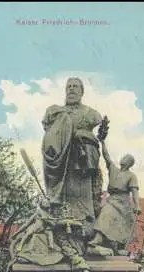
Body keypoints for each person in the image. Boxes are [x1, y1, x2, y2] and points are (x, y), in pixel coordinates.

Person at [41, 77, 104, 236]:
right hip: (62, 164)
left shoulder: (91, 114)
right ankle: (62, 228)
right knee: (64, 199)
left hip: (82, 163)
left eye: (75, 86)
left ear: (82, 91)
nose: (71, 89)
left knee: (83, 196)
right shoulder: (56, 113)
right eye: (69, 86)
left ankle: (86, 229)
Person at [87, 141, 142, 255]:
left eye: (127, 158)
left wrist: (137, 205)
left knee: (117, 222)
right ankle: (99, 239)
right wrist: (103, 142)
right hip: (112, 200)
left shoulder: (131, 176)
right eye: (124, 157)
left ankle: (110, 244)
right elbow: (106, 156)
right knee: (104, 213)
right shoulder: (113, 169)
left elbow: (134, 191)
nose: (123, 159)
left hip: (123, 204)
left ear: (129, 163)